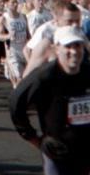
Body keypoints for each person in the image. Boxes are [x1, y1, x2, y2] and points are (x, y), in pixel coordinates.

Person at [10, 25, 90, 175]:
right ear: (57, 48)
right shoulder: (44, 76)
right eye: (68, 46)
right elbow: (16, 103)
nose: (74, 51)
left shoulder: (88, 73)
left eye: (78, 45)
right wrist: (31, 136)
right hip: (56, 152)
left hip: (85, 152)